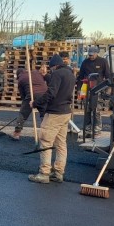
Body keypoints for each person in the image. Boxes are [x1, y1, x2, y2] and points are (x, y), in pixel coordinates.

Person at [28, 54, 75, 184]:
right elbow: (58, 85)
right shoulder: (70, 73)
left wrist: (36, 103)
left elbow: (51, 93)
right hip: (66, 112)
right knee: (61, 144)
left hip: (54, 113)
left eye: (50, 68)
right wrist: (45, 76)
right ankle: (59, 172)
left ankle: (44, 173)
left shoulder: (57, 73)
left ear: (54, 66)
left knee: (46, 141)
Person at [77, 46, 110, 135]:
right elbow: (80, 77)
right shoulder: (85, 62)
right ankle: (87, 129)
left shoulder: (103, 62)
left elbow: (108, 76)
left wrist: (107, 89)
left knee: (96, 109)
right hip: (86, 88)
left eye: (92, 55)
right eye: (89, 55)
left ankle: (97, 128)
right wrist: (79, 89)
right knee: (87, 109)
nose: (91, 56)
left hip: (98, 89)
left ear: (97, 53)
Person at [11, 60, 48, 141]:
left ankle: (16, 133)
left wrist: (25, 106)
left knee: (23, 114)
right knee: (44, 114)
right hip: (44, 94)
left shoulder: (21, 79)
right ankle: (46, 134)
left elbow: (23, 96)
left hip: (32, 95)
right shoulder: (35, 72)